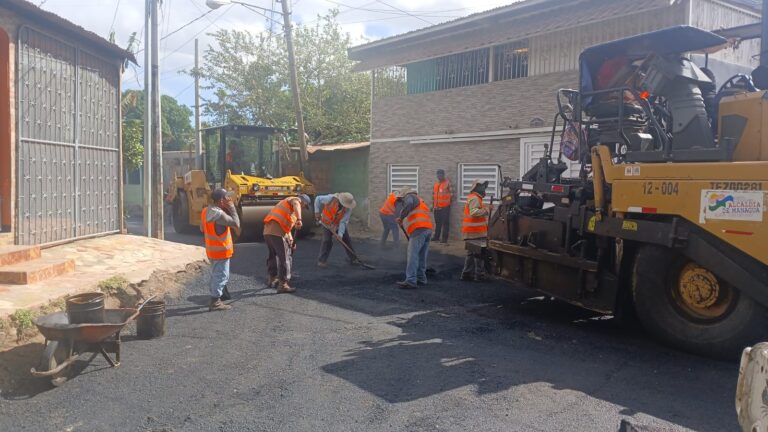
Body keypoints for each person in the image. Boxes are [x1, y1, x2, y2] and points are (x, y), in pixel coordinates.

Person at [201, 188, 240, 311]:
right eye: (226, 198)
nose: (229, 199)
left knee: (215, 274)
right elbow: (236, 223)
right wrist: (232, 207)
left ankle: (217, 295)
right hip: (221, 250)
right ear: (221, 200)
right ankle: (215, 302)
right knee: (222, 276)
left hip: (211, 250)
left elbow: (202, 228)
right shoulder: (219, 214)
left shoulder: (205, 211)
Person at [263, 194, 311, 294]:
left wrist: (291, 240)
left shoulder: (289, 210)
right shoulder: (294, 200)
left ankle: (272, 278)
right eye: (304, 206)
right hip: (277, 232)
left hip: (268, 231)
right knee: (285, 258)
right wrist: (299, 219)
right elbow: (296, 203)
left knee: (272, 255)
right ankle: (283, 284)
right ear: (303, 202)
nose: (303, 208)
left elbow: (286, 229)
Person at [395, 187, 434, 289]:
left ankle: (411, 280)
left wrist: (401, 217)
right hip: (427, 229)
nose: (401, 201)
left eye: (401, 199)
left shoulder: (410, 196)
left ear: (404, 195)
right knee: (421, 255)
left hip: (419, 230)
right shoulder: (420, 200)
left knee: (412, 255)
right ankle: (421, 278)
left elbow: (408, 203)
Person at [315, 192, 359, 267]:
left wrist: (340, 235)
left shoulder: (348, 209)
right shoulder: (330, 199)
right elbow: (317, 199)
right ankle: (322, 261)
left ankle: (354, 259)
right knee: (327, 241)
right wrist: (316, 212)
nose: (346, 206)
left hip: (337, 225)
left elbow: (343, 222)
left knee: (346, 240)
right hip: (326, 223)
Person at [461, 180, 491, 282]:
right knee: (479, 254)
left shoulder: (474, 197)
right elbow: (474, 212)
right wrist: (487, 210)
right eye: (483, 186)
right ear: (477, 187)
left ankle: (466, 274)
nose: (484, 188)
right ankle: (479, 276)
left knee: (471, 254)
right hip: (475, 232)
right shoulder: (475, 198)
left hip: (472, 231)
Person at [432, 169, 452, 244]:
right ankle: (436, 237)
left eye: (440, 174)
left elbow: (452, 195)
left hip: (445, 207)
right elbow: (433, 196)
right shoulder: (436, 184)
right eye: (438, 174)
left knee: (445, 223)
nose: (439, 176)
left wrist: (447, 204)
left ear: (443, 175)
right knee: (437, 223)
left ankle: (444, 239)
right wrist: (432, 205)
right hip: (436, 207)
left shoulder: (447, 183)